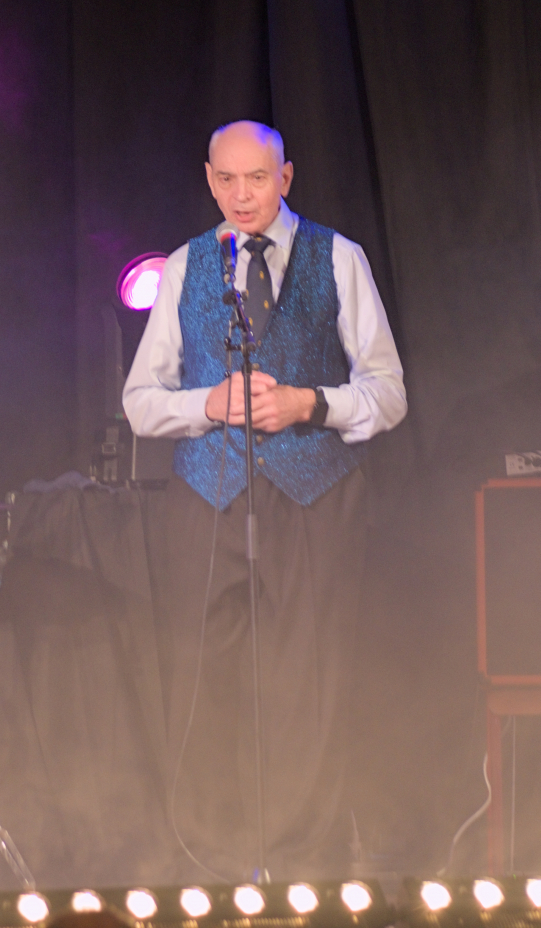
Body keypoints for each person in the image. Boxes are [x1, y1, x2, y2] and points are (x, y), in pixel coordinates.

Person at [123, 120, 406, 879]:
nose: (242, 195)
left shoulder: (336, 257)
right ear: (209, 180)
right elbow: (141, 403)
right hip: (206, 496)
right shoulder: (184, 267)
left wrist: (312, 403)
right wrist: (206, 405)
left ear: (285, 177)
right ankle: (212, 859)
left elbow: (388, 392)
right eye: (227, 180)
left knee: (306, 685)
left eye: (257, 178)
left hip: (314, 498)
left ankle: (300, 863)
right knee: (203, 679)